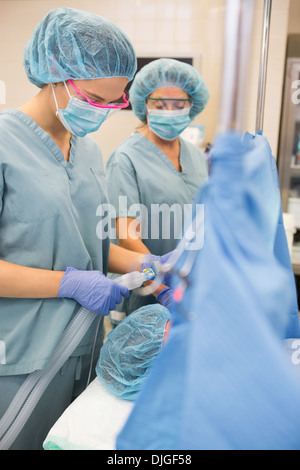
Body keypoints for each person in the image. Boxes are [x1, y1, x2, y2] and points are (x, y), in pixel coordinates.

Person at [0, 8, 165, 450]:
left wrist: (145, 264)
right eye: (94, 98)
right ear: (54, 76)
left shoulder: (89, 151)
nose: (104, 111)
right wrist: (67, 284)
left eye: (114, 102)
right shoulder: (4, 145)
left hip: (83, 344)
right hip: (17, 352)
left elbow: (91, 239)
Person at [106, 58, 210, 315]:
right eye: (160, 104)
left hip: (191, 284)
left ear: (191, 106)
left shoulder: (196, 156)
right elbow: (126, 234)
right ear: (145, 105)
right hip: (147, 290)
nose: (170, 111)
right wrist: (161, 283)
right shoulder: (125, 158)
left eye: (179, 105)